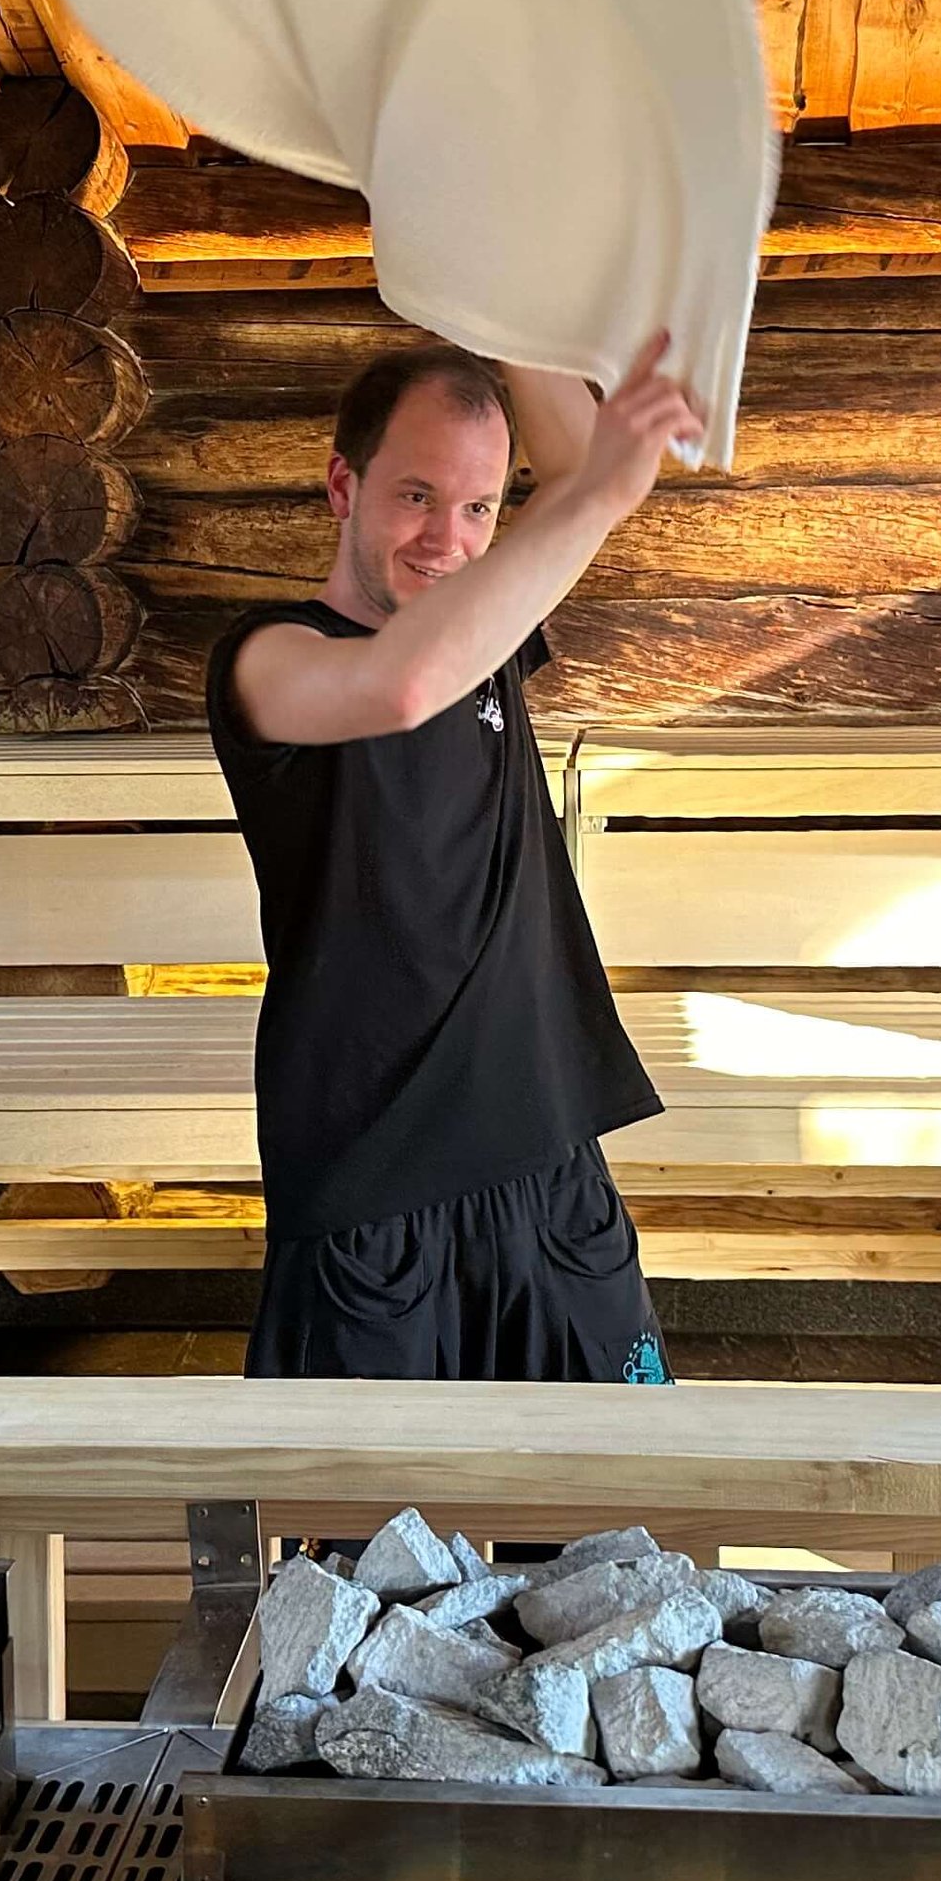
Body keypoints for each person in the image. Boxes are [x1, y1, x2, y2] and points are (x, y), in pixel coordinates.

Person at [207, 334, 703, 1381]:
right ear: (344, 484)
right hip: (372, 1192)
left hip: (549, 1155)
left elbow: (573, 480)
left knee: (614, 1518)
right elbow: (398, 687)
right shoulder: (266, 656)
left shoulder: (480, 632)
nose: (447, 539)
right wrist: (600, 491)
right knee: (371, 1542)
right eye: (416, 496)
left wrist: (503, 302)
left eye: (479, 508)